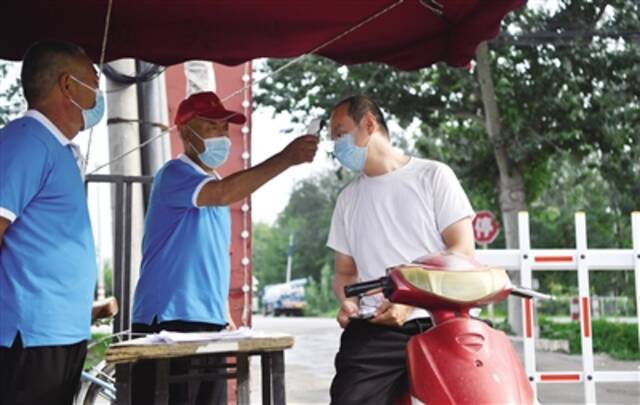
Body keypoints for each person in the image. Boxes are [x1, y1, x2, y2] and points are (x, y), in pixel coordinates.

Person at [131, 91, 318, 404]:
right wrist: (286, 158)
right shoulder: (176, 175)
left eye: (224, 128)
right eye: (209, 127)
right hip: (169, 321)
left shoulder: (214, 185)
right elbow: (222, 193)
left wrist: (224, 312)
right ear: (185, 133)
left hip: (209, 323)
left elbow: (210, 257)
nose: (220, 135)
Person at [326, 95, 475, 404]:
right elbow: (344, 272)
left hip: (441, 318)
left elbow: (462, 250)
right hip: (375, 329)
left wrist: (410, 299)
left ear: (368, 124)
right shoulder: (348, 199)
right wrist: (349, 303)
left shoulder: (433, 176)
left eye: (340, 132)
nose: (336, 145)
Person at [0, 40, 104, 405]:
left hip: (60, 332)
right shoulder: (26, 141)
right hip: (30, 335)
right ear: (67, 85)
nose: (98, 94)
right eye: (94, 81)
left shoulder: (55, 148)